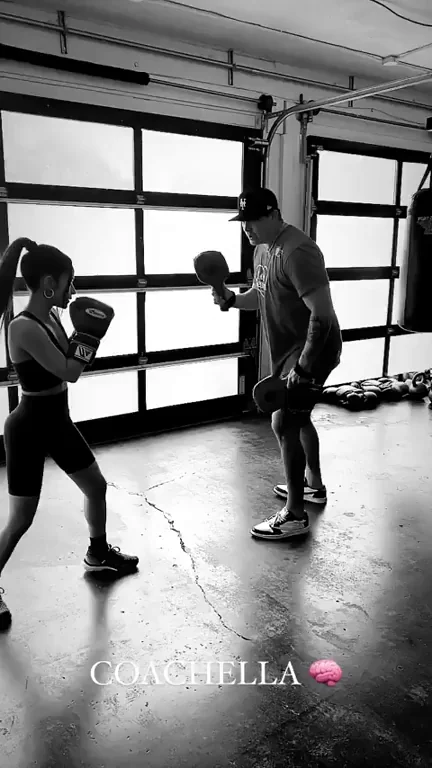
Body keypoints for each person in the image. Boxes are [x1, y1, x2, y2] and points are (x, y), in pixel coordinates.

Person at [0, 238, 138, 631]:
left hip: (56, 419)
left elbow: (69, 368)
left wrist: (83, 334)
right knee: (21, 519)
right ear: (48, 283)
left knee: (96, 486)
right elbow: (69, 371)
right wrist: (91, 336)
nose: (72, 289)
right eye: (67, 282)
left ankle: (98, 553)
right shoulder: (23, 326)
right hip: (28, 426)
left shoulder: (55, 318)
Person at [213, 189, 342, 541]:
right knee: (298, 419)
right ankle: (312, 485)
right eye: (243, 222)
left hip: (313, 350)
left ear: (273, 214)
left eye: (254, 220)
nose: (248, 228)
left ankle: (296, 514)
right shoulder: (263, 251)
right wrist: (230, 299)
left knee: (284, 421)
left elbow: (323, 315)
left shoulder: (298, 251)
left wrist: (302, 368)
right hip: (290, 353)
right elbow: (261, 294)